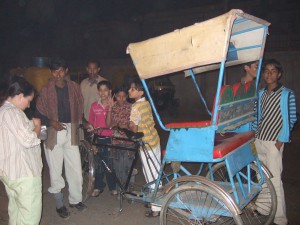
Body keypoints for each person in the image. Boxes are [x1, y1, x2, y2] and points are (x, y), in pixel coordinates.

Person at [35, 57, 86, 219]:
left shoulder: (75, 88)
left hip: (71, 129)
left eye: (61, 70)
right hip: (53, 131)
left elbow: (80, 109)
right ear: (51, 72)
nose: (58, 74)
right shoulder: (45, 90)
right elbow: (37, 114)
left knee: (76, 168)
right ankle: (59, 204)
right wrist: (51, 122)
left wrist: (84, 123)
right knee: (55, 170)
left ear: (66, 71)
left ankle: (75, 200)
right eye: (55, 71)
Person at [253, 59, 297, 225]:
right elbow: (257, 117)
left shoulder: (286, 94)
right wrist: (254, 135)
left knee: (275, 180)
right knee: (261, 177)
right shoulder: (261, 93)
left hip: (274, 143)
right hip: (259, 140)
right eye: (266, 71)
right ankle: (264, 208)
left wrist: (281, 141)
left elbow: (291, 118)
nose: (269, 73)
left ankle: (280, 218)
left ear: (279, 74)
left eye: (273, 71)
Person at [0, 77, 43, 225]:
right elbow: (28, 140)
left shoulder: (3, 111)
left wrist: (31, 123)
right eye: (28, 100)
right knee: (30, 217)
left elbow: (18, 130)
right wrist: (37, 127)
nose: (28, 104)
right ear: (19, 96)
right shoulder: (13, 113)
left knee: (16, 212)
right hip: (23, 173)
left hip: (10, 173)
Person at [128, 79, 161, 217]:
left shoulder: (136, 107)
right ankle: (156, 200)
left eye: (132, 89)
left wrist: (130, 128)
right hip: (155, 140)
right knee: (156, 171)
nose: (129, 91)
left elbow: (134, 127)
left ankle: (156, 208)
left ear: (140, 92)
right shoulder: (146, 103)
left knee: (150, 175)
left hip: (146, 144)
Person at [89, 80, 117, 196]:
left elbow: (112, 124)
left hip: (110, 138)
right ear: (98, 92)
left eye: (106, 90)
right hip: (98, 138)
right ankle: (98, 186)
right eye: (100, 90)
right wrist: (93, 141)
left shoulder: (115, 105)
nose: (103, 92)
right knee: (98, 163)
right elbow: (91, 124)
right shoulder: (94, 106)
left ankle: (112, 187)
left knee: (110, 163)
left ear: (110, 91)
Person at [106, 85, 134, 191]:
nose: (121, 99)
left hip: (129, 142)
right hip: (116, 142)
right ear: (115, 96)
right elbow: (108, 124)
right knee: (117, 168)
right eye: (118, 96)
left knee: (128, 167)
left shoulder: (132, 107)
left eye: (123, 96)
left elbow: (134, 124)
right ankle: (120, 191)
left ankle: (129, 190)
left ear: (127, 96)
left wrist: (126, 125)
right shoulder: (112, 107)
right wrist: (109, 109)